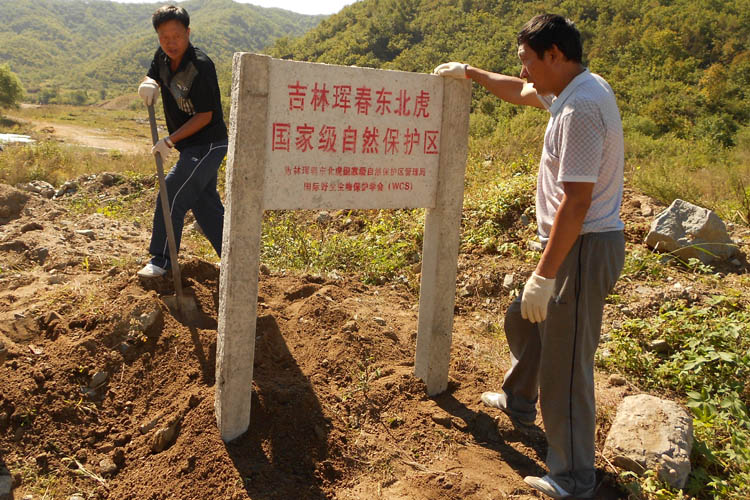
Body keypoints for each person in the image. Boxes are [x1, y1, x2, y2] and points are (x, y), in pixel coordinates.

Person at [434, 13, 625, 500]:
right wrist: (471, 73)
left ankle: (573, 477)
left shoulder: (580, 110)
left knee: (566, 366)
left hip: (582, 247)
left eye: (527, 61)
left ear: (554, 55)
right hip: (571, 246)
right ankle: (519, 400)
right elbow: (519, 93)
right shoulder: (573, 88)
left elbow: (577, 202)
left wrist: (546, 273)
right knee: (524, 320)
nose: (523, 72)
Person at [136, 4, 228, 278]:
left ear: (188, 32)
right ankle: (236, 258)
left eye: (176, 36)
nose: (170, 43)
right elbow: (152, 75)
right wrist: (149, 83)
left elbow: (205, 115)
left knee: (172, 191)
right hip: (190, 146)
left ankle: (162, 259)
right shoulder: (162, 58)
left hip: (210, 143)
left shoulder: (200, 65)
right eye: (164, 37)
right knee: (203, 203)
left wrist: (169, 141)